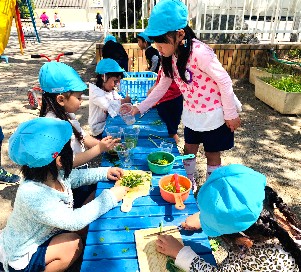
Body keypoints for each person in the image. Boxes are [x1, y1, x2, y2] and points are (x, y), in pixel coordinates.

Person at [131, 0, 242, 191]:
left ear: (180, 34)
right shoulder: (170, 57)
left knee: (212, 153)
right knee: (189, 149)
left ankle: (210, 190)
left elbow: (224, 81)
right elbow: (161, 86)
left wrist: (231, 113)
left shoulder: (200, 53)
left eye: (161, 41)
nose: (158, 47)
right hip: (193, 113)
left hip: (214, 113)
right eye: (155, 41)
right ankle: (188, 184)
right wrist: (139, 107)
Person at [0, 117, 129, 272]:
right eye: (69, 148)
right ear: (60, 160)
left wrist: (106, 172)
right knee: (73, 244)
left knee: (92, 200)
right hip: (24, 252)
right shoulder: (32, 194)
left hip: (48, 233)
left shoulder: (53, 173)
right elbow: (74, 221)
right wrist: (111, 196)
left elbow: (78, 177)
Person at [155, 164, 301, 271]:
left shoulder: (248, 256)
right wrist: (205, 218)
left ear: (243, 238)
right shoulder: (283, 222)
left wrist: (180, 253)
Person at [39, 62, 118, 207]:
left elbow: (83, 137)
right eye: (79, 97)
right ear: (61, 99)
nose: (81, 102)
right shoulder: (53, 127)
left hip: (80, 173)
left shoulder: (68, 114)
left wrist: (107, 145)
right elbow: (65, 162)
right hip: (69, 181)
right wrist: (99, 149)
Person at [89, 58, 131, 139]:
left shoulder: (110, 90)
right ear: (103, 77)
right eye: (115, 81)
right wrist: (124, 101)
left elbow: (117, 99)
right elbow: (108, 105)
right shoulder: (95, 92)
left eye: (118, 81)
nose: (116, 84)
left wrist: (124, 102)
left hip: (108, 122)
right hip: (99, 129)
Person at [147, 69, 183, 144]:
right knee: (169, 128)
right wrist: (153, 88)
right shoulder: (164, 63)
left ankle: (173, 147)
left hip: (171, 101)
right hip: (163, 100)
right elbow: (160, 80)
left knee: (171, 130)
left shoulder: (175, 64)